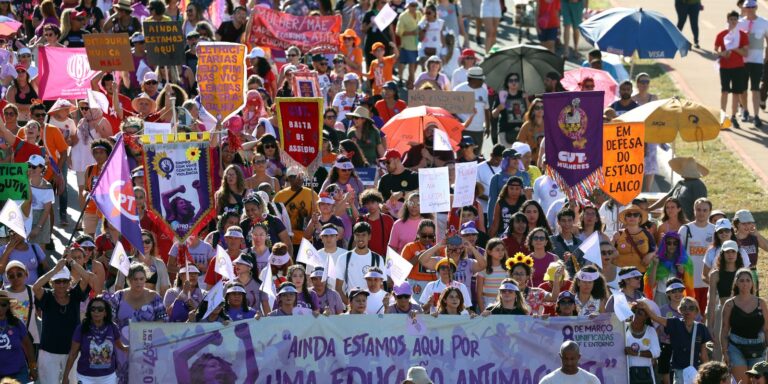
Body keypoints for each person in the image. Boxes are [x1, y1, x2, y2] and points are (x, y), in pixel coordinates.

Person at [33, 256, 93, 384]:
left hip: (73, 352)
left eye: (64, 281)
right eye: (57, 281)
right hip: (48, 352)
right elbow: (36, 287)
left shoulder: (75, 295)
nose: (61, 284)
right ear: (52, 283)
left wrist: (72, 262)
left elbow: (86, 277)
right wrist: (55, 270)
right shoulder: (47, 296)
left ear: (69, 282)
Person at [105, 263, 167, 384]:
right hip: (121, 349)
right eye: (135, 279)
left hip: (147, 350)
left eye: (141, 279)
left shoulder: (155, 297)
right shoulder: (119, 296)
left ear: (145, 279)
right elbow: (108, 320)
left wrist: (147, 327)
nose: (139, 282)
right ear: (129, 280)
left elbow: (164, 320)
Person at [639, 297, 711, 383]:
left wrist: (708, 371)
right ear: (680, 310)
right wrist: (645, 307)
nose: (687, 310)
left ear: (696, 311)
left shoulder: (701, 328)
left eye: (691, 308)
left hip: (694, 370)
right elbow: (655, 317)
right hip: (679, 369)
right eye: (684, 308)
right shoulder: (674, 323)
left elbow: (703, 353)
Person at [720, 268, 768, 383]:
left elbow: (766, 328)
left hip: (758, 347)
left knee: (757, 382)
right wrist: (724, 352)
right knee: (742, 381)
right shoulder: (729, 304)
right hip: (736, 347)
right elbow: (724, 331)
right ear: (736, 283)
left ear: (752, 283)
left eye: (748, 280)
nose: (745, 283)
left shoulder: (761, 302)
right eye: (741, 280)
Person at [62, 297, 125, 384]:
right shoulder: (81, 328)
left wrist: (138, 347)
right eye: (93, 309)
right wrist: (65, 376)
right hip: (85, 377)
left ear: (105, 312)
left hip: (108, 377)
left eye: (100, 309)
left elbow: (121, 346)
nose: (96, 312)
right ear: (89, 311)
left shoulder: (112, 327)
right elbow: (73, 354)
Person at [334, 222, 386, 304]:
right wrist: (350, 306)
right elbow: (338, 288)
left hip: (372, 309)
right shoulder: (343, 258)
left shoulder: (378, 259)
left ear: (369, 236)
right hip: (352, 310)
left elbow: (381, 287)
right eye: (357, 235)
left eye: (363, 235)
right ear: (354, 236)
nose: (360, 238)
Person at [679, 198, 715, 313]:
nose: (701, 213)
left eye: (705, 210)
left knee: (706, 313)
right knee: (690, 313)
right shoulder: (685, 229)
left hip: (708, 280)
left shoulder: (715, 230)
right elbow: (678, 252)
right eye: (698, 210)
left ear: (709, 212)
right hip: (690, 280)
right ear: (694, 210)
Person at [736, 0, 768, 127]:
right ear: (743, 8)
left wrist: (767, 56)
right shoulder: (739, 23)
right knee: (742, 89)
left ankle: (756, 116)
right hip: (742, 61)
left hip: (757, 61)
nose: (749, 9)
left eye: (752, 7)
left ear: (756, 7)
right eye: (747, 7)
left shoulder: (764, 22)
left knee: (755, 89)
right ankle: (745, 110)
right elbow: (731, 41)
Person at [715, 12, 749, 128]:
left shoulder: (742, 35)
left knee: (736, 93)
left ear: (738, 21)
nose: (733, 21)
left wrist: (735, 49)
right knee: (724, 91)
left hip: (738, 67)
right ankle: (723, 116)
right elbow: (715, 50)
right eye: (731, 19)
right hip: (725, 67)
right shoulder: (721, 34)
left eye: (735, 19)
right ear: (727, 20)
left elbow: (745, 52)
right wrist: (722, 53)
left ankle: (733, 116)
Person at [273, 166, 319, 252]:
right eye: (294, 176)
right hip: (286, 241)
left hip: (307, 240)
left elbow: (318, 215)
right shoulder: (279, 196)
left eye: (301, 175)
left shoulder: (312, 194)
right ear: (289, 178)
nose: (299, 178)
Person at [650, 157, 708, 221]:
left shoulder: (698, 185)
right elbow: (667, 198)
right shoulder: (680, 183)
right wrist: (650, 209)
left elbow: (701, 206)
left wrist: (692, 224)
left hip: (687, 222)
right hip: (674, 221)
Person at [0, 289, 36, 382]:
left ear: (8, 306)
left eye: (3, 305)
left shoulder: (16, 322)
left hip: (19, 373)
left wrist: (33, 368)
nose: (0, 308)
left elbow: (28, 346)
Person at [453, 67, 490, 149]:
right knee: (462, 155)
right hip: (463, 130)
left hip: (479, 131)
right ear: (472, 79)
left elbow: (486, 110)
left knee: (476, 156)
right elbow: (451, 110)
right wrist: (458, 121)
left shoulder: (484, 91)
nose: (482, 82)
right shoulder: (458, 90)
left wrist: (488, 127)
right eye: (480, 79)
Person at [625, 303, 661, 384]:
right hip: (625, 372)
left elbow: (656, 352)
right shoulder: (623, 327)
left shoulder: (651, 330)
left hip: (646, 374)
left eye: (640, 313)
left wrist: (637, 353)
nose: (636, 315)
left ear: (647, 317)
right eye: (635, 312)